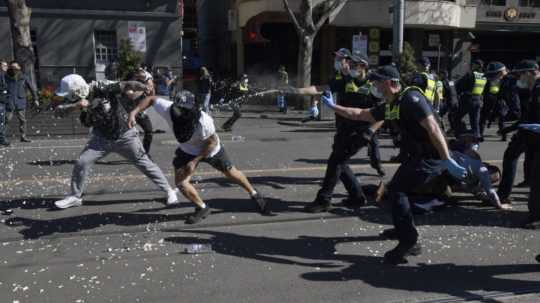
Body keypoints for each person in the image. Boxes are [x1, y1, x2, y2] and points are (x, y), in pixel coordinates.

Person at [320, 65, 467, 265]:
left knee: (397, 191)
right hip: (416, 157)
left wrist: (446, 158)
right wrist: (333, 107)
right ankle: (403, 230)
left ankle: (409, 241)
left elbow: (433, 128)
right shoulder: (393, 105)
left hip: (429, 158)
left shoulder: (411, 98)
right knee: (395, 191)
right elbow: (361, 114)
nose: (375, 86)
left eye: (378, 82)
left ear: (390, 82)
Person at [128, 90, 269, 224]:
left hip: (211, 150)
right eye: (178, 109)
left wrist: (195, 161)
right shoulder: (168, 108)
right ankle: (202, 207)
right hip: (187, 150)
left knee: (230, 172)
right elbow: (151, 99)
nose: (179, 113)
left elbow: (212, 143)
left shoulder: (204, 121)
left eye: (183, 110)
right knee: (180, 182)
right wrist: (134, 113)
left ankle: (254, 193)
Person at [52, 74, 179, 209]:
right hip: (101, 138)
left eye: (70, 94)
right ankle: (75, 196)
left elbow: (127, 84)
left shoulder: (101, 87)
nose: (68, 97)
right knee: (82, 162)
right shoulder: (75, 100)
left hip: (125, 134)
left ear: (77, 90)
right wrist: (75, 106)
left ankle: (169, 191)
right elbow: (57, 112)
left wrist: (143, 86)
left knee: (145, 163)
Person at [497, 60, 539, 208]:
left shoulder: (538, 88)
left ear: (528, 73)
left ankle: (504, 194)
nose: (518, 79)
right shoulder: (533, 88)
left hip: (533, 133)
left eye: (519, 75)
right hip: (529, 132)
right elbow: (527, 115)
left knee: (513, 157)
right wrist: (510, 129)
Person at [5, 61, 39, 143]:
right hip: (9, 100)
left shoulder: (24, 77)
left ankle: (23, 137)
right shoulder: (5, 77)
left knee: (22, 120)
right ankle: (2, 137)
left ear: (19, 68)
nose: (14, 69)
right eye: (12, 68)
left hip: (20, 100)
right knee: (6, 119)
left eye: (15, 68)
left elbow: (31, 88)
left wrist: (36, 99)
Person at [454, 59, 487, 139]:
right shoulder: (484, 76)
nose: (471, 66)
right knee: (475, 120)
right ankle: (477, 136)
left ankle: (461, 133)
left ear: (477, 66)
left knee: (456, 117)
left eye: (473, 64)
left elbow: (458, 85)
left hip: (468, 99)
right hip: (478, 100)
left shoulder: (470, 74)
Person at [480, 62, 511, 141]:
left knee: (501, 119)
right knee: (483, 118)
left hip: (500, 101)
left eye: (494, 74)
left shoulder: (508, 79)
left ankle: (504, 135)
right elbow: (485, 89)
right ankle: (480, 135)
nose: (491, 77)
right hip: (489, 100)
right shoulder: (489, 79)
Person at [129, 67, 155, 154]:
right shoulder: (129, 83)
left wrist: (151, 89)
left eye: (142, 73)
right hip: (129, 112)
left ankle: (145, 153)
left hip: (140, 112)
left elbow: (152, 97)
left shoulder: (146, 80)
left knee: (149, 132)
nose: (141, 76)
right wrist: (143, 89)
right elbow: (132, 96)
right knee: (130, 135)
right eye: (139, 74)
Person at [0, 59, 9, 147]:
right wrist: (4, 92)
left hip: (2, 101)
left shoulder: (4, 75)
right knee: (1, 121)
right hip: (1, 101)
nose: (6, 67)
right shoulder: (1, 75)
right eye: (4, 66)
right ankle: (2, 139)